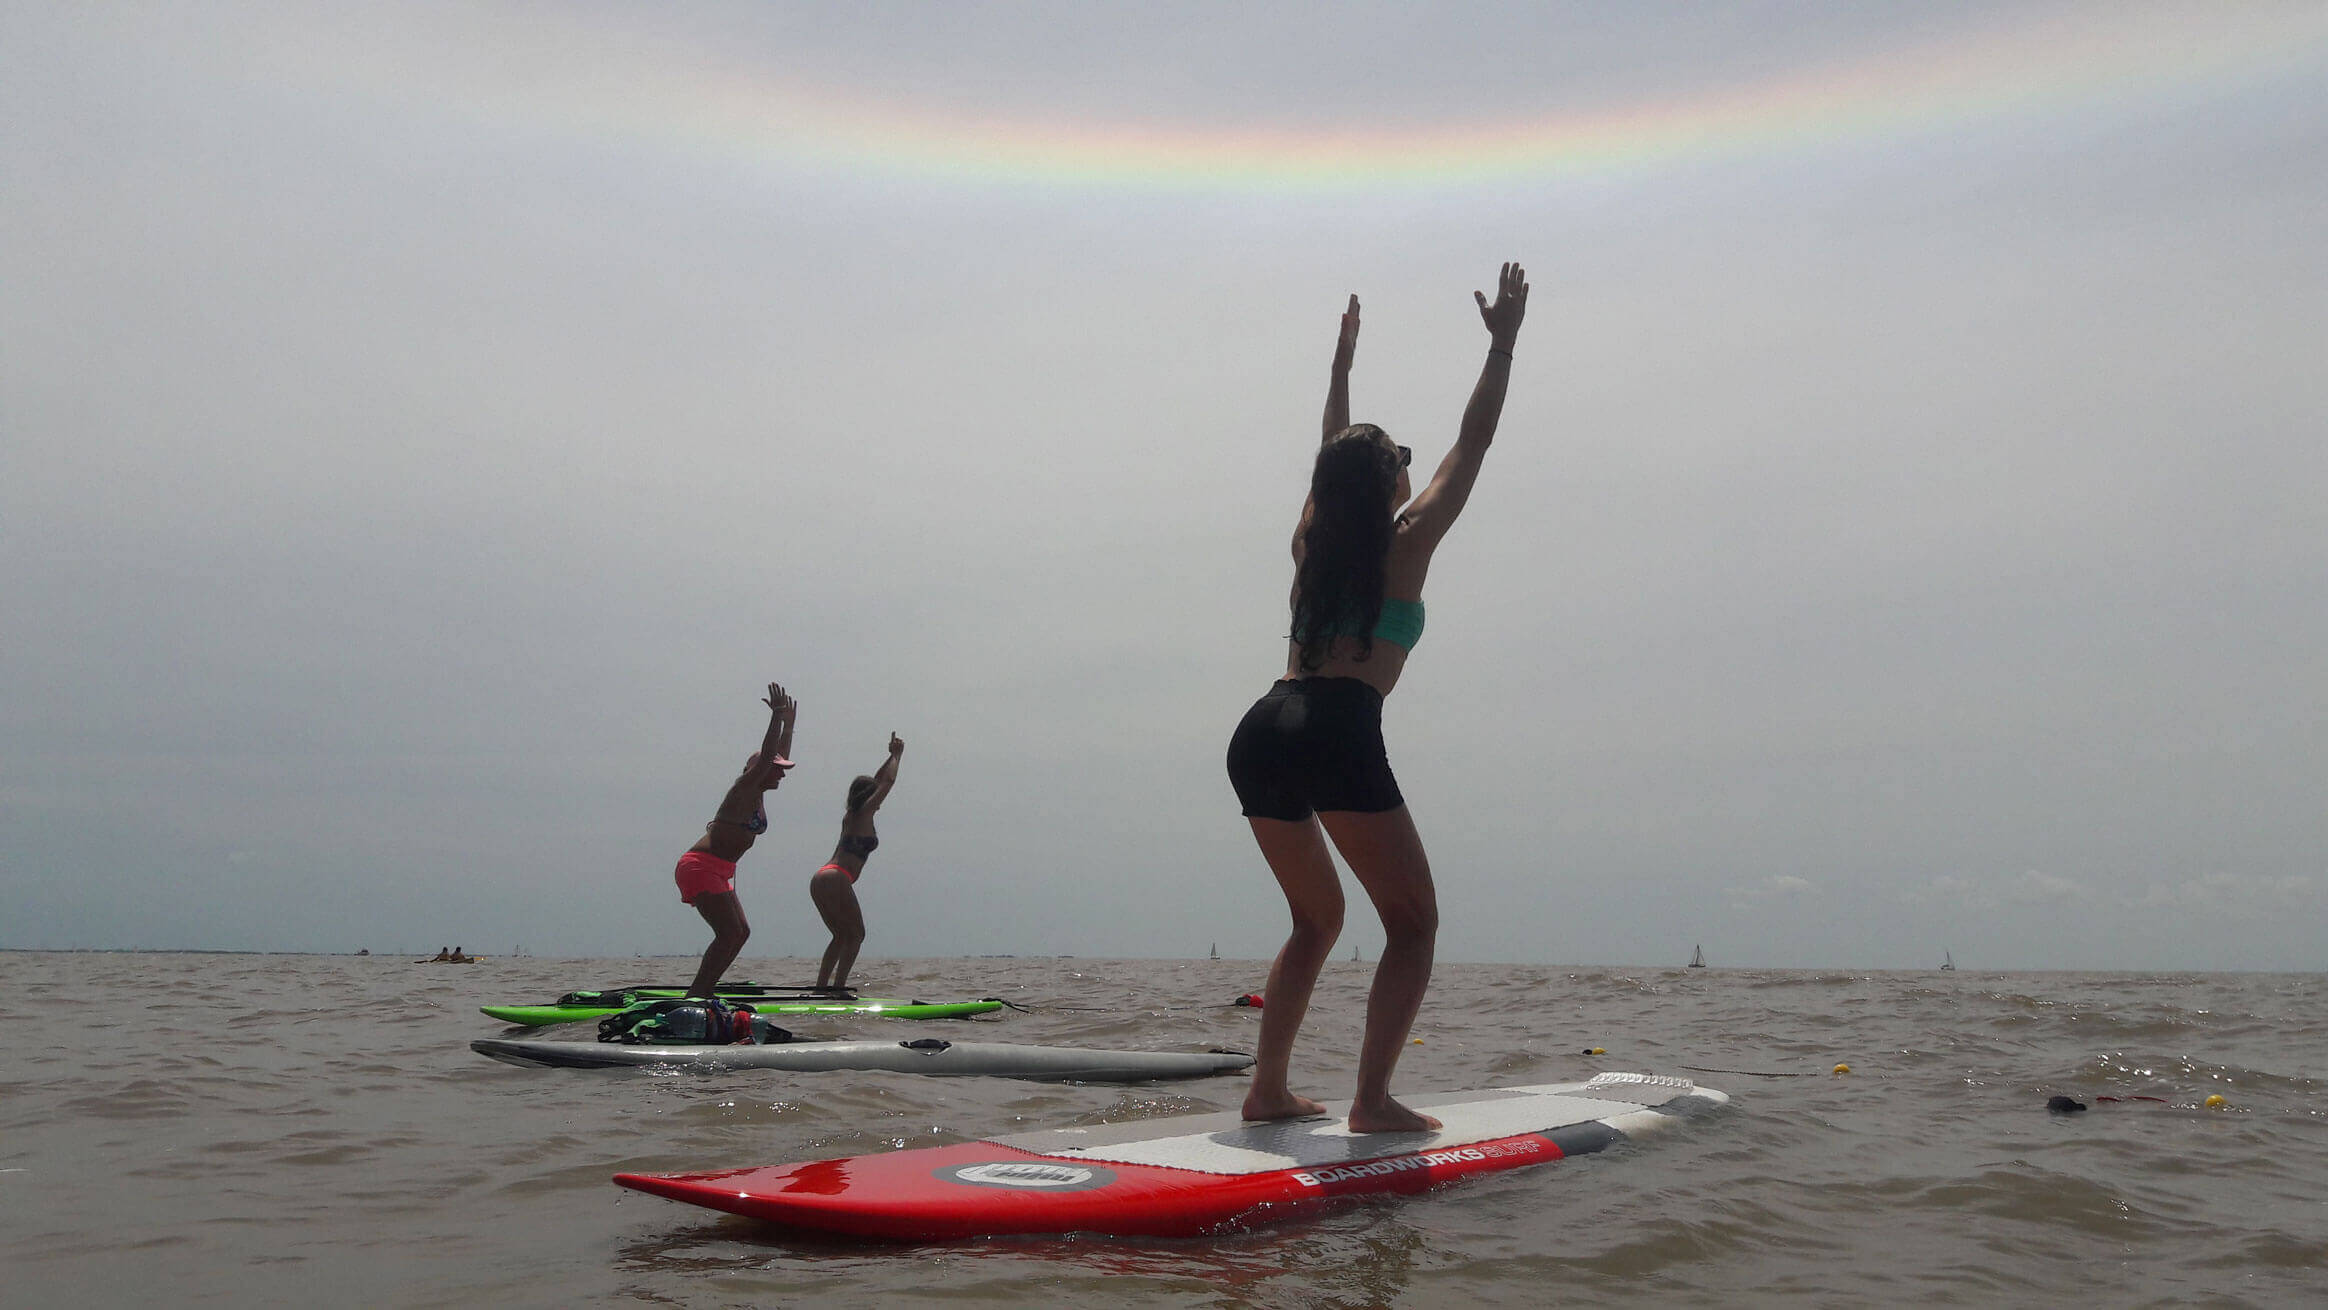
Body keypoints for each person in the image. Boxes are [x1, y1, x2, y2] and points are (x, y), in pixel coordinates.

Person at [1225, 264, 1530, 1132]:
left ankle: (1268, 1090)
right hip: (1336, 728)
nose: (1410, 463)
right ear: (1391, 482)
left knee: (1316, 920)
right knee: (1414, 923)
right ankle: (1370, 1101)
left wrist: (1340, 371)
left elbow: (1334, 455)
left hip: (1263, 728)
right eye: (1399, 456)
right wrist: (1503, 346)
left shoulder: (1311, 540)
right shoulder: (1408, 542)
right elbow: (1472, 442)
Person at [675, 683, 797, 997]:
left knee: (740, 933)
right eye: (778, 770)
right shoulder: (746, 787)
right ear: (760, 771)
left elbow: (776, 755)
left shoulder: (760, 790)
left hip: (718, 870)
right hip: (700, 867)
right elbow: (769, 754)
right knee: (729, 934)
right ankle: (697, 997)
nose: (782, 775)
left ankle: (705, 990)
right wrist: (776, 717)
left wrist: (790, 726)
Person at [810, 733, 903, 990]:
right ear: (868, 798)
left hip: (821, 877)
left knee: (841, 935)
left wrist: (888, 757)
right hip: (836, 877)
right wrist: (897, 756)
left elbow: (878, 780)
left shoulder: (853, 815)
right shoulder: (863, 813)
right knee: (857, 935)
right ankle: (838, 988)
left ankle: (821, 988)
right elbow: (888, 782)